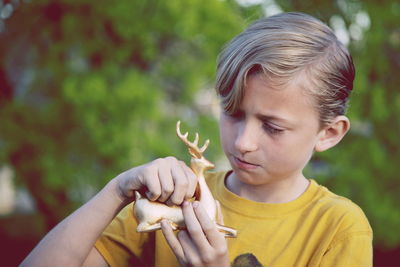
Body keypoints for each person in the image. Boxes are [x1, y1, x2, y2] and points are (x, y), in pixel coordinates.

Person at [21, 12, 373, 267]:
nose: (243, 142)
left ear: (328, 133)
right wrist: (117, 191)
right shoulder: (175, 203)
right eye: (233, 113)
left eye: (272, 127)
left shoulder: (338, 228)